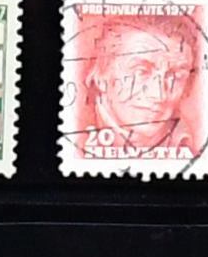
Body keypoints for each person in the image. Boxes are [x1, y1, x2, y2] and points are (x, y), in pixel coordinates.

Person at [82, 18, 196, 155]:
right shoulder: (75, 132)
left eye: (176, 76)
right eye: (141, 72)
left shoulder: (187, 143)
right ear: (101, 76)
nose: (159, 95)